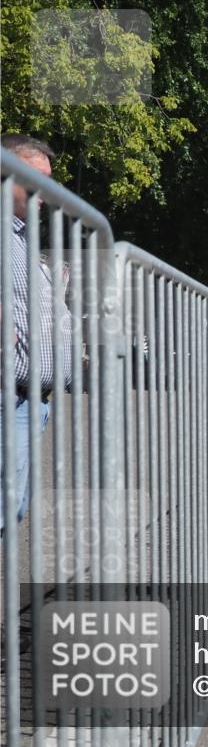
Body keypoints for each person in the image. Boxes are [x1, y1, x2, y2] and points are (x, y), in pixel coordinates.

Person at [0, 134, 72, 534]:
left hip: (27, 402)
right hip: (6, 400)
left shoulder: (21, 237)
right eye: (37, 179)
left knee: (12, 512)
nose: (45, 193)